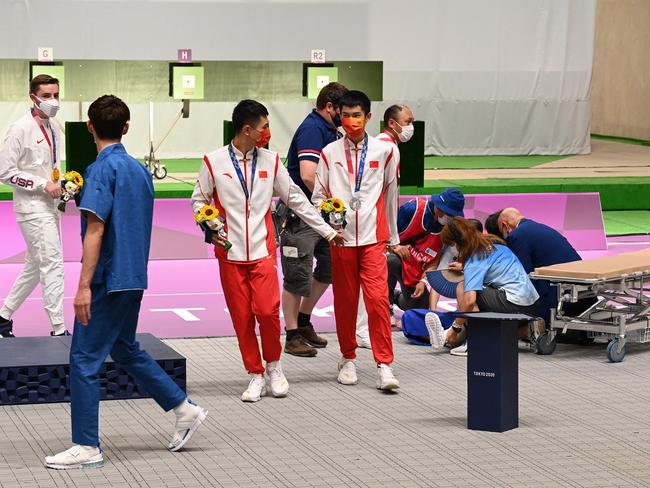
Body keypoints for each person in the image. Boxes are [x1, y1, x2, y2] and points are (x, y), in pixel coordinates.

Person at [45, 95, 207, 470]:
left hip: (108, 278)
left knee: (84, 358)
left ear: (89, 127)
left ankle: (86, 445)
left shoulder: (100, 171)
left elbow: (96, 230)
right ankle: (184, 409)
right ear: (127, 128)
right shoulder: (138, 170)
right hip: (134, 275)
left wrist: (83, 285)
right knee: (125, 348)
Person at [191, 99, 343, 402]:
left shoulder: (271, 162)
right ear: (248, 130)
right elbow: (199, 201)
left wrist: (326, 230)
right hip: (230, 256)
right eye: (265, 127)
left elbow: (297, 199)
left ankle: (274, 366)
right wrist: (211, 226)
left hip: (261, 253)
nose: (269, 132)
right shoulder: (213, 161)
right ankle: (255, 373)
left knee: (266, 312)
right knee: (242, 317)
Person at [312, 90, 400, 390]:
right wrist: (328, 222)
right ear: (340, 116)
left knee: (378, 300)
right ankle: (348, 357)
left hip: (374, 238)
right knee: (346, 302)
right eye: (346, 115)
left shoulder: (385, 151)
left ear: (368, 117)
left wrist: (393, 236)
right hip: (341, 240)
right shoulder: (329, 152)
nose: (351, 121)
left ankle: (384, 364)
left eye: (357, 115)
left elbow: (391, 194)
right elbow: (318, 196)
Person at [280, 82, 348, 357]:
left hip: (320, 217)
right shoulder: (312, 129)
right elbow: (309, 175)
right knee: (297, 275)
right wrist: (332, 204)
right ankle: (292, 334)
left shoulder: (330, 130)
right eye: (344, 111)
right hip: (301, 216)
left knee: (329, 267)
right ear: (330, 107)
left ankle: (304, 321)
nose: (349, 117)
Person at [0, 74, 67, 338]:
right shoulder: (19, 128)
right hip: (31, 208)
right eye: (47, 96)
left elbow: (52, 167)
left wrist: (63, 186)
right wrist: (41, 184)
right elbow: (4, 172)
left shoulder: (52, 127)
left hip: (50, 206)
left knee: (36, 265)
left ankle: (3, 316)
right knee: (52, 264)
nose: (53, 101)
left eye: (56, 95)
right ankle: (59, 329)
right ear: (33, 97)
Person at [426, 217, 539, 356]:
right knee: (474, 291)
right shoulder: (495, 244)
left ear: (458, 242)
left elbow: (470, 301)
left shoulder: (475, 256)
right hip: (531, 303)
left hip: (513, 301)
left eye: (451, 244)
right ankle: (528, 330)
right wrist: (465, 268)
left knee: (464, 288)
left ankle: (473, 342)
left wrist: (455, 328)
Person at [485, 208, 594, 339]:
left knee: (507, 315)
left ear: (504, 226)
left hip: (559, 297)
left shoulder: (517, 236)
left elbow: (520, 277)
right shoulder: (542, 228)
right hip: (583, 294)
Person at [355, 104, 414, 348]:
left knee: (364, 281)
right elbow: (390, 194)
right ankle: (361, 330)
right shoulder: (388, 148)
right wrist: (393, 236)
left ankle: (360, 329)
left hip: (366, 222)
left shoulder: (378, 145)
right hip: (373, 226)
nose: (411, 125)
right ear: (392, 123)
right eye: (408, 120)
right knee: (370, 281)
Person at [391, 188, 465, 312]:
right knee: (390, 261)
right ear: (439, 207)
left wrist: (423, 281)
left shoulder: (448, 229)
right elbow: (384, 236)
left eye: (453, 215)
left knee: (421, 307)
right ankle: (387, 306)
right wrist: (395, 247)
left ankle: (395, 296)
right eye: (449, 214)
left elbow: (435, 262)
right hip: (397, 258)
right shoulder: (412, 210)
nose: (450, 218)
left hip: (416, 270)